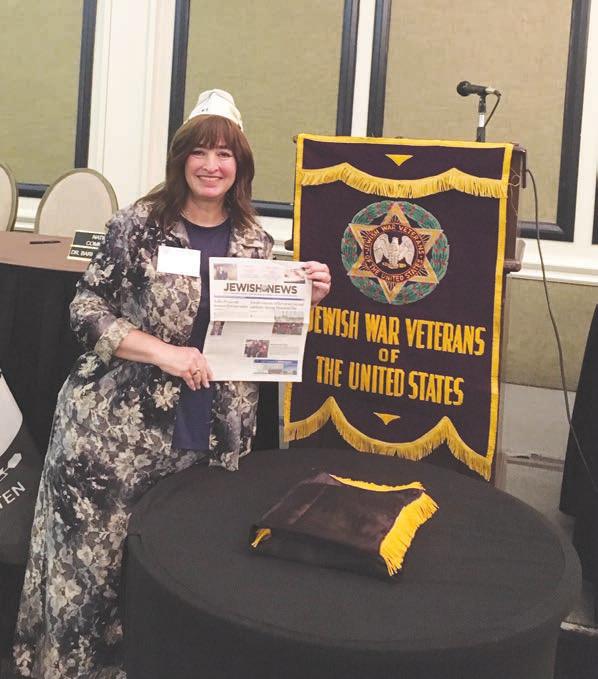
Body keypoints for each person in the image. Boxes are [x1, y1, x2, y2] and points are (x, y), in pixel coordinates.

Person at [13, 89, 331, 678]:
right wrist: (163, 352)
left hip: (206, 446)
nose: (212, 165)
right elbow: (85, 309)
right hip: (113, 440)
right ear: (181, 158)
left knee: (174, 578)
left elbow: (258, 340)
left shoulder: (256, 243)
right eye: (200, 151)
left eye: (224, 154)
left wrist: (303, 298)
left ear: (240, 165)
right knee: (93, 580)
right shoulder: (138, 225)